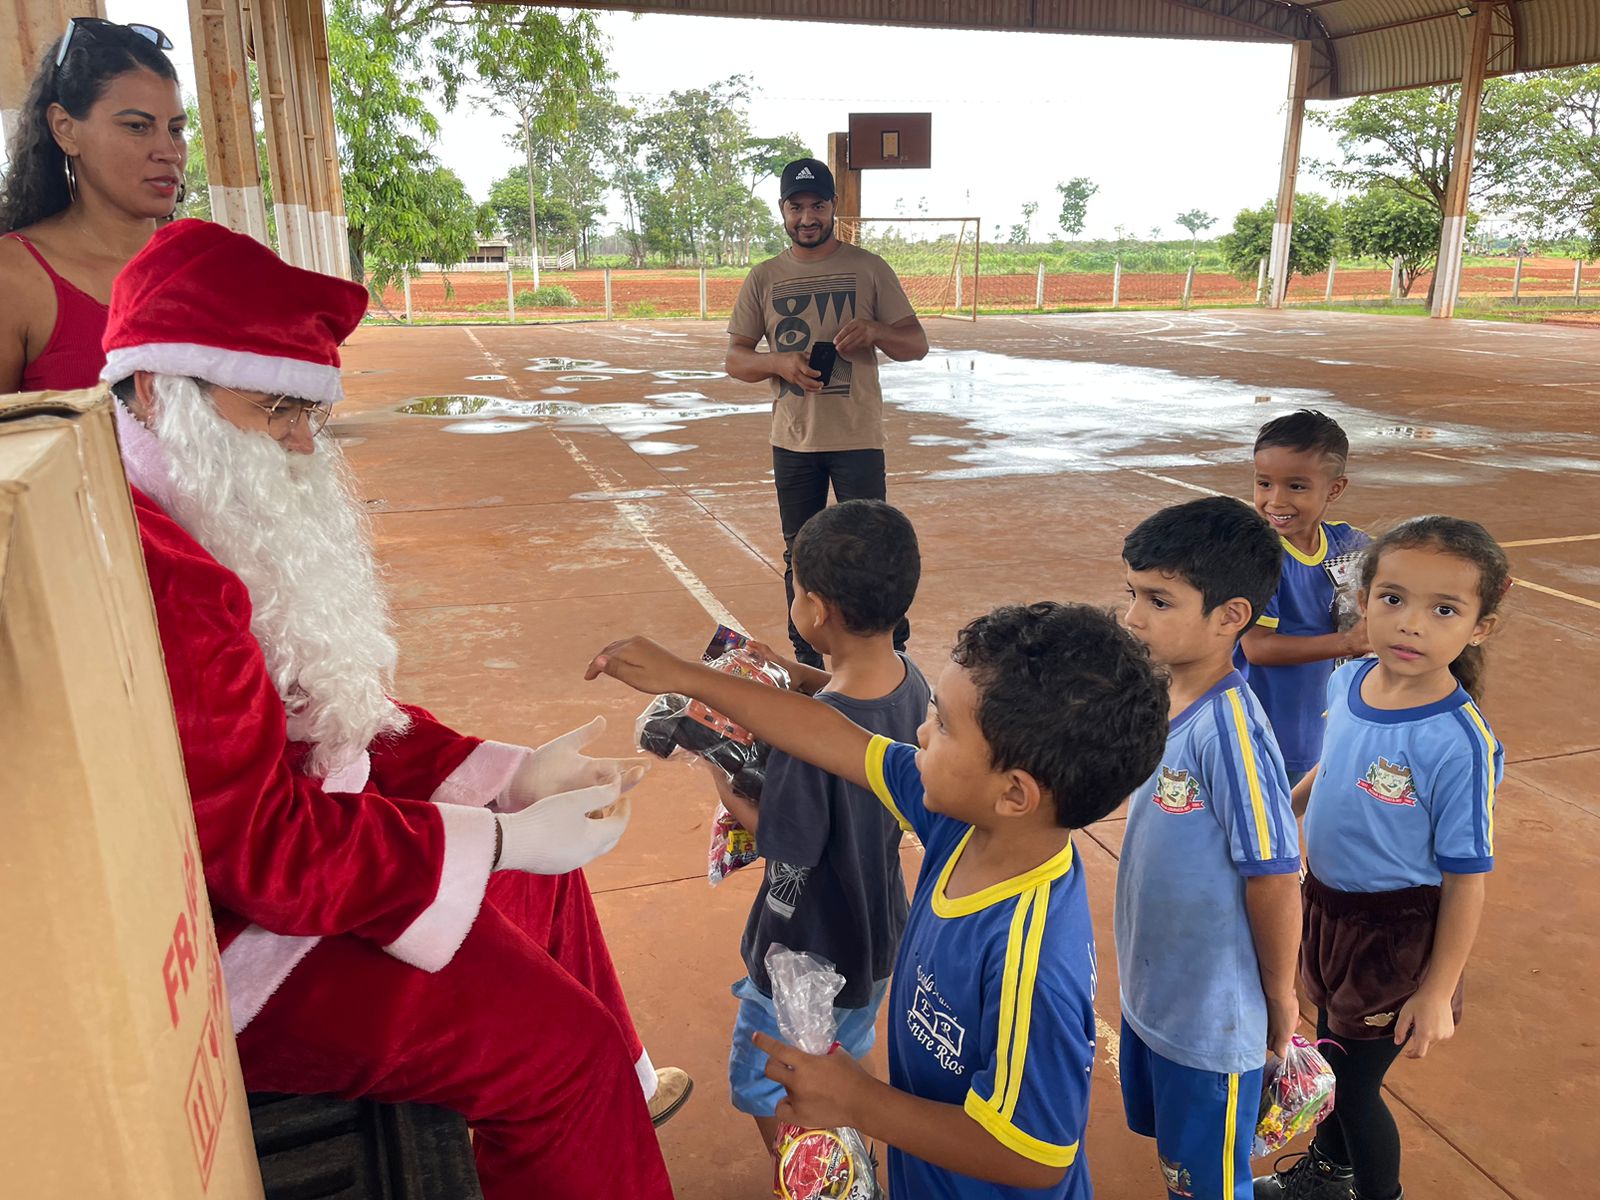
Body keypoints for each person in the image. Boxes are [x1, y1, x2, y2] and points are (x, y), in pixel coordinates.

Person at [100, 218, 686, 1200]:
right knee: (557, 1051)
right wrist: (497, 838)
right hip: (235, 944)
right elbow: (266, 855)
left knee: (550, 886)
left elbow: (316, 714)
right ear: (161, 391)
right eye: (277, 409)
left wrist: (512, 775)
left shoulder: (187, 502)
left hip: (271, 872)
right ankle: (590, 1110)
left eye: (310, 413)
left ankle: (609, 1115)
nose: (303, 443)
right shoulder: (174, 578)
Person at [589, 602, 1169, 1199]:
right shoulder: (965, 823)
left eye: (943, 725)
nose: (920, 732)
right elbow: (830, 736)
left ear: (1015, 793)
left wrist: (858, 1100)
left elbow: (1035, 1156)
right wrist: (689, 678)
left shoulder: (1031, 957)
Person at [1255, 517, 1508, 1200]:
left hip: (1396, 938)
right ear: (1364, 600)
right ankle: (1329, 1174)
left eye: (1444, 609)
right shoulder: (1350, 679)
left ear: (1480, 627)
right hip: (1327, 907)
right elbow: (1331, 764)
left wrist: (1435, 991)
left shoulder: (1458, 742)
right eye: (1393, 599)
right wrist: (1282, 814)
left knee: (1354, 1088)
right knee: (1336, 1061)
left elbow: (1466, 880)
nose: (1411, 624)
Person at [716, 499, 929, 1158]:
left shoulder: (807, 745)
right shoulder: (908, 681)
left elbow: (782, 840)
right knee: (846, 1056)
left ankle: (817, 1182)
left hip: (806, 950)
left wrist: (718, 766)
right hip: (877, 929)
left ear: (814, 608)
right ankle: (857, 1161)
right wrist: (789, 677)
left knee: (767, 1083)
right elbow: (842, 694)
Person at [1119, 498, 1302, 1200]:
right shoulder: (1165, 697)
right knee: (1182, 1168)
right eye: (1133, 593)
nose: (1133, 617)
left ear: (1230, 616)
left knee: (1209, 1184)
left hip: (1210, 1024)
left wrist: (1279, 996)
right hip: (1157, 996)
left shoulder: (1229, 730)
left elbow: (1275, 875)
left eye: (1159, 600)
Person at [726, 156, 929, 668]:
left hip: (858, 438)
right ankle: (807, 663)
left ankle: (889, 657)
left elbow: (916, 344)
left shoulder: (869, 268)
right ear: (782, 210)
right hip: (794, 441)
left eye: (817, 205)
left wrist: (876, 332)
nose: (807, 217)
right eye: (796, 207)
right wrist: (778, 363)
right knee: (800, 554)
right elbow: (736, 359)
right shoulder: (765, 277)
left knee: (873, 549)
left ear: (834, 206)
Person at [1, 18, 186, 393]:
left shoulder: (203, 258)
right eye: (137, 126)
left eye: (176, 129)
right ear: (65, 128)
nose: (169, 152)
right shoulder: (14, 278)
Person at [1241, 410, 1371, 783]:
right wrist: (1349, 642)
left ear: (1334, 489)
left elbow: (1400, 570)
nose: (1275, 500)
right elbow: (1257, 648)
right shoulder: (1260, 556)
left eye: (1296, 486)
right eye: (1264, 483)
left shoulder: (1349, 543)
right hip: (1268, 725)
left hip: (1321, 719)